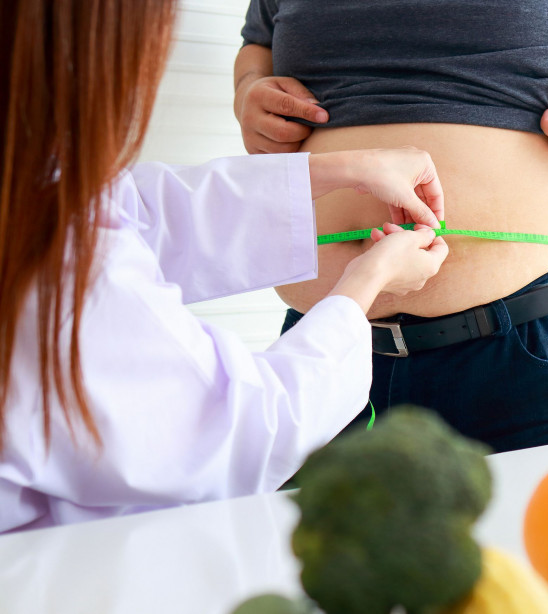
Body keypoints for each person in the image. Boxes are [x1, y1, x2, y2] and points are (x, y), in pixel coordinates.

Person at [0, 0, 448, 534]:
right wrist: (364, 286)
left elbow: (133, 212)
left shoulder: (28, 177)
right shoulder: (52, 267)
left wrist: (336, 170)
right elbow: (242, 432)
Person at [235, 1, 548, 453]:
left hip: (528, 348)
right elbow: (258, 42)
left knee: (541, 561)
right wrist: (250, 91)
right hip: (322, 351)